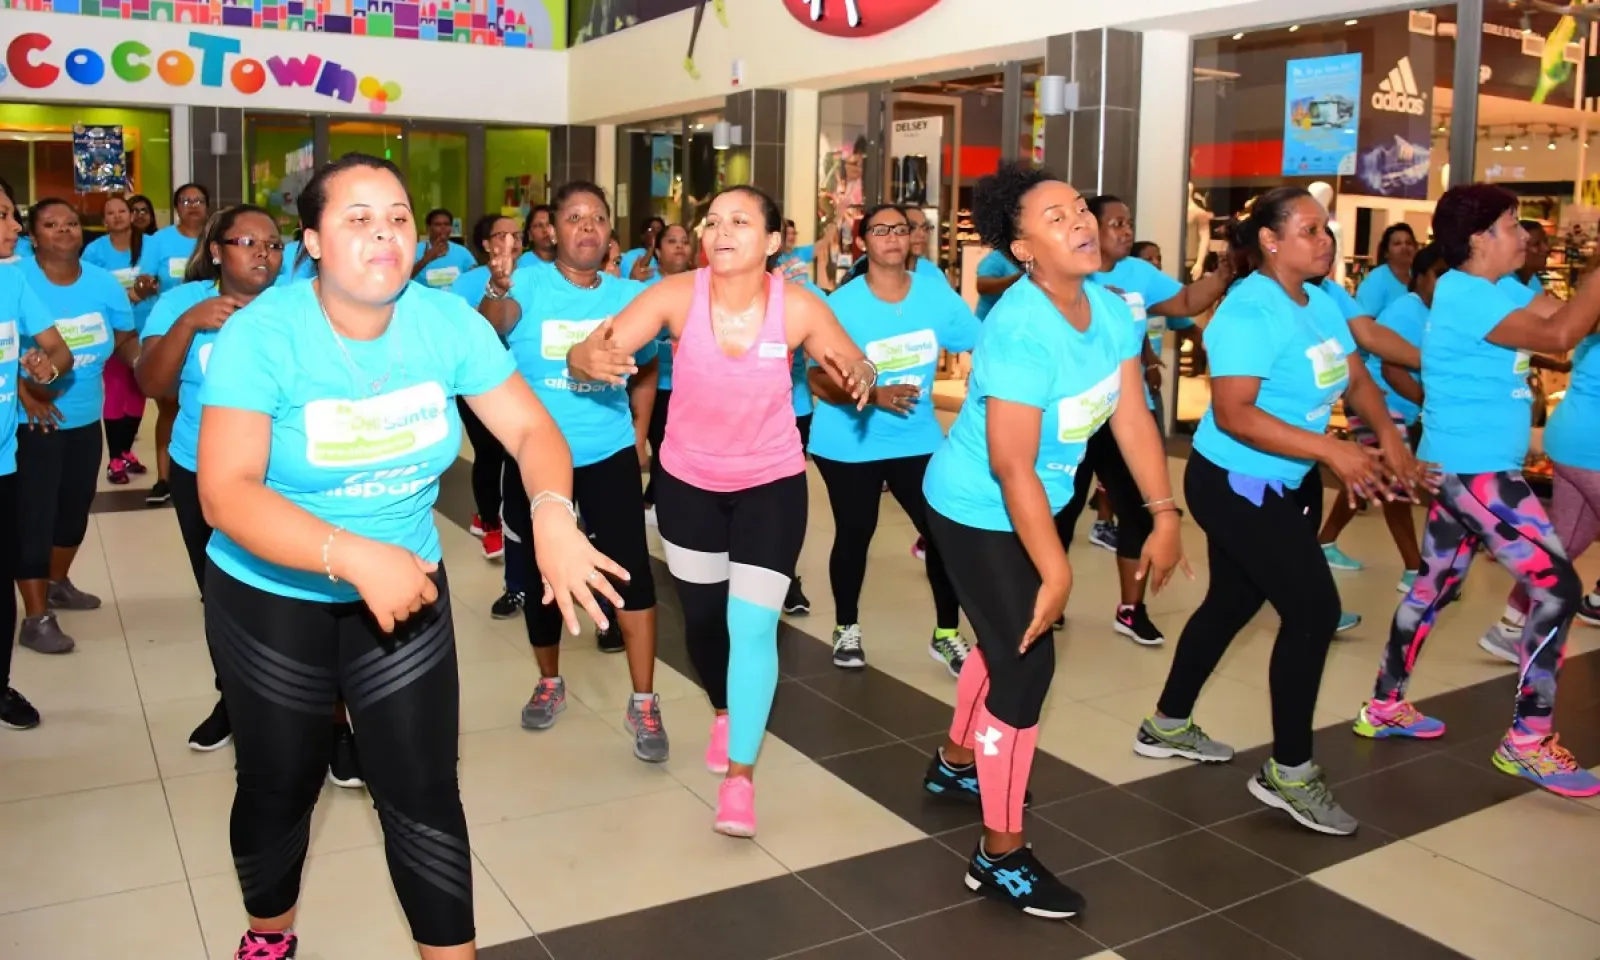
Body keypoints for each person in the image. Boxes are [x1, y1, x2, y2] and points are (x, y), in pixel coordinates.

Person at [196, 152, 623, 960]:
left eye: (396, 217)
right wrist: (348, 554)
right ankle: (268, 934)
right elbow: (226, 493)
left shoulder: (445, 322)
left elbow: (532, 431)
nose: (384, 233)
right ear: (313, 240)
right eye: (357, 219)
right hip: (272, 593)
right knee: (279, 785)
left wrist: (556, 517)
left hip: (405, 591)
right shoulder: (266, 333)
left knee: (423, 791)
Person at [565, 184, 875, 837]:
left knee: (754, 627)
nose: (721, 230)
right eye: (713, 221)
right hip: (690, 484)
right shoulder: (678, 295)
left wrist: (862, 373)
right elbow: (592, 348)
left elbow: (849, 358)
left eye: (740, 221)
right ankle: (724, 709)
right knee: (705, 625)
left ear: (770, 242)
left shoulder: (795, 307)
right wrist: (587, 357)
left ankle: (740, 779)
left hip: (771, 483)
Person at [917, 164, 1183, 918]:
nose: (1080, 222)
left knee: (1007, 645)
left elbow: (1131, 415)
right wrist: (1056, 569)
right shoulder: (1020, 327)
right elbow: (1008, 462)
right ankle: (997, 856)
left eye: (1080, 209)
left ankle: (956, 763)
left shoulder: (1106, 308)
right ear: (1023, 248)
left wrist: (1164, 510)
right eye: (1056, 215)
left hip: (1033, 497)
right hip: (976, 508)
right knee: (1027, 667)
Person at [1140, 187, 1424, 837]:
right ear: (1270, 241)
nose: (1324, 240)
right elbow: (1235, 413)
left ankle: (1166, 722)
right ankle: (1289, 771)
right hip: (1233, 483)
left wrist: (1391, 440)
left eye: (1326, 230)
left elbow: (1356, 379)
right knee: (1314, 610)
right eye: (1308, 230)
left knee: (1233, 604)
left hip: (1285, 482)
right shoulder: (1248, 310)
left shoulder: (1320, 302)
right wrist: (1332, 449)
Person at [1358, 184, 1600, 798]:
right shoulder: (1464, 295)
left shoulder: (1501, 291)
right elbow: (1559, 337)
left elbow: (1559, 321)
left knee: (1433, 586)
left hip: (1464, 465)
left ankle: (1384, 704)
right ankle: (1527, 741)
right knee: (1558, 587)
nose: (1525, 235)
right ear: (1478, 239)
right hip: (1476, 473)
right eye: (1514, 225)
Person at [476, 181, 667, 756]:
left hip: (606, 453)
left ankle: (644, 702)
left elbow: (647, 368)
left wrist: (637, 436)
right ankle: (550, 682)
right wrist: (497, 286)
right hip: (537, 460)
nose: (586, 227)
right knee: (539, 578)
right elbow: (490, 330)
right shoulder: (525, 283)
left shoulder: (629, 297)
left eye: (598, 218)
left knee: (631, 573)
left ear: (611, 232)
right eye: (574, 217)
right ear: (553, 229)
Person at [135, 204, 285, 755]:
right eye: (249, 242)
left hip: (285, 476)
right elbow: (151, 382)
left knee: (303, 600)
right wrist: (190, 324)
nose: (264, 254)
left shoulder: (298, 306)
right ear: (217, 250)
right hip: (203, 474)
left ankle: (331, 721)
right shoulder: (182, 303)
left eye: (273, 244)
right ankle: (235, 699)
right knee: (222, 596)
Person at [1051, 195, 1229, 647]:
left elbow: (1186, 300)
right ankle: (1048, 595)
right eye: (1116, 223)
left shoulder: (1140, 275)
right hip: (1071, 412)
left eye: (1129, 222)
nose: (1126, 231)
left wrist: (1225, 274)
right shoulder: (1068, 271)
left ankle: (1131, 608)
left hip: (1126, 410)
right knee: (1061, 509)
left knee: (1138, 509)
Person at [808, 203, 979, 675]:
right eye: (880, 230)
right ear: (863, 242)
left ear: (912, 239)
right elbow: (817, 378)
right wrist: (871, 393)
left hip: (916, 438)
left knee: (942, 533)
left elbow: (981, 343)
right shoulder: (842, 304)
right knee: (855, 532)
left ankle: (946, 634)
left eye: (901, 229)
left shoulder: (935, 296)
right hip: (849, 440)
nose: (892, 237)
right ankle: (846, 627)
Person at [15, 199, 140, 655]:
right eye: (51, 224)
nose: (64, 230)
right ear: (34, 235)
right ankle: (35, 616)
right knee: (35, 515)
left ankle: (56, 580)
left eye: (70, 223)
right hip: (33, 420)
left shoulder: (103, 283)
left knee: (73, 510)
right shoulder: (17, 278)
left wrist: (146, 364)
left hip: (86, 415)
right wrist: (25, 391)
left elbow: (124, 338)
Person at [1316, 244, 1445, 594]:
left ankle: (1324, 541)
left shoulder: (1436, 312)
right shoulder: (1407, 311)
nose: (1445, 282)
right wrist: (1430, 401)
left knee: (1371, 475)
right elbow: (1389, 366)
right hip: (1380, 402)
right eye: (1438, 273)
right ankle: (1415, 568)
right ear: (1419, 278)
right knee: (1395, 484)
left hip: (1394, 407)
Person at [0, 179, 75, 731]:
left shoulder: (12, 277)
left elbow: (59, 350)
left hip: (5, 458)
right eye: (3, 217)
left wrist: (45, 372)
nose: (16, 229)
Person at [449, 214, 525, 564]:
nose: (510, 241)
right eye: (501, 235)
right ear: (485, 244)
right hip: (479, 384)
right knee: (490, 453)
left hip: (523, 382)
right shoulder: (467, 283)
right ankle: (491, 522)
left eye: (516, 234)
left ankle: (514, 520)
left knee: (521, 454)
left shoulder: (538, 276)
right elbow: (461, 334)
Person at [136, 182, 211, 506]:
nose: (192, 205)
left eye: (198, 200)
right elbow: (145, 279)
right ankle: (164, 476)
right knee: (168, 405)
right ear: (176, 206)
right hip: (169, 330)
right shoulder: (159, 241)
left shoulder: (217, 236)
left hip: (211, 330)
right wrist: (145, 284)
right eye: (185, 200)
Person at [83, 195, 156, 483]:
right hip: (114, 332)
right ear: (104, 221)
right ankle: (114, 459)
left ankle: (126, 450)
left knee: (139, 390)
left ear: (131, 215)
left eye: (121, 211)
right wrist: (132, 295)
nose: (117, 216)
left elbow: (158, 281)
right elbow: (90, 289)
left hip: (148, 329)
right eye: (110, 213)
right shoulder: (94, 252)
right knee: (115, 391)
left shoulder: (150, 246)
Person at [640, 223, 696, 524]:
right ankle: (655, 500)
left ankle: (658, 498)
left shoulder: (704, 286)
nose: (679, 246)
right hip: (654, 384)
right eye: (671, 241)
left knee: (684, 445)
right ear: (657, 251)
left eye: (684, 241)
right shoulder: (645, 289)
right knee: (661, 444)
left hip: (692, 385)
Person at [1354, 223, 1419, 318]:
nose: (1404, 247)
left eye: (1409, 243)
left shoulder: (1420, 278)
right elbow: (1363, 321)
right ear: (1386, 252)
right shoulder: (1375, 280)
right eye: (1397, 243)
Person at [411, 208, 476, 290]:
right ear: (428, 228)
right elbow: (404, 280)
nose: (443, 228)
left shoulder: (462, 252)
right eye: (438, 224)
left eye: (447, 224)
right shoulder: (415, 250)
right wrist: (425, 260)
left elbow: (474, 279)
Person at [622, 215, 665, 280]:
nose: (656, 233)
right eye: (651, 230)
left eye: (659, 230)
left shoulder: (667, 256)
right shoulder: (632, 256)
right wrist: (650, 250)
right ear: (643, 236)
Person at [1514, 219, 1550, 295]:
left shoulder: (1534, 282)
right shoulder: (1504, 285)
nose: (1546, 248)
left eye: (1546, 241)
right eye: (1536, 244)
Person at [519, 204, 557, 268]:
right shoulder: (521, 265)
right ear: (530, 235)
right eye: (539, 225)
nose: (545, 230)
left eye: (549, 224)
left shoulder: (569, 261)